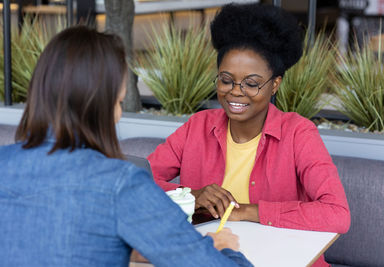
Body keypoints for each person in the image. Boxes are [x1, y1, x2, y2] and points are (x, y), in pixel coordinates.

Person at [0, 26, 252, 267]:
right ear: (100, 105)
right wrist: (224, 249)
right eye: (120, 102)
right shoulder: (120, 184)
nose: (118, 114)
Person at [148, 4, 351, 266]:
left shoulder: (298, 133)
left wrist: (248, 212)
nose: (235, 92)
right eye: (226, 79)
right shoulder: (197, 127)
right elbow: (138, 181)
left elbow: (336, 214)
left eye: (252, 83)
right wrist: (191, 195)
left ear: (275, 84)